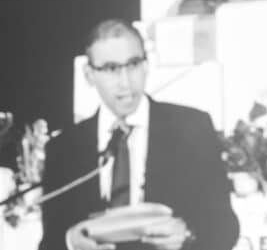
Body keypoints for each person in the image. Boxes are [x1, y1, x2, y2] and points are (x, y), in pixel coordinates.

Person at [39, 19, 239, 250]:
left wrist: (188, 234)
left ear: (146, 65)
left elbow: (225, 227)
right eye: (111, 68)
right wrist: (70, 242)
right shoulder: (64, 148)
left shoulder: (192, 127)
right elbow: (49, 242)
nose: (125, 82)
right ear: (89, 74)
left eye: (133, 64)